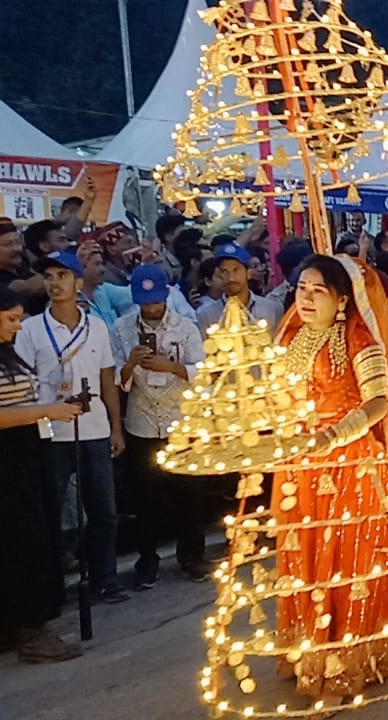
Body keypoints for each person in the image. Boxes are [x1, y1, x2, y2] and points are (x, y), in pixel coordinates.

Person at [272, 254, 388, 698]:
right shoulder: (291, 337)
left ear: (343, 299)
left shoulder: (358, 339)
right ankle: (312, 650)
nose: (306, 299)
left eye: (318, 291)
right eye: (301, 290)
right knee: (306, 558)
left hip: (347, 465)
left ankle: (345, 660)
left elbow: (379, 403)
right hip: (299, 469)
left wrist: (334, 433)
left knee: (346, 560)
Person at [15, 250, 129, 604]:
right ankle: (52, 587)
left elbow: (106, 377)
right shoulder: (31, 328)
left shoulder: (95, 324)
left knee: (103, 510)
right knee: (50, 512)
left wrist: (115, 427)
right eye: (49, 277)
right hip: (49, 431)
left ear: (78, 281)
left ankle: (104, 578)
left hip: (93, 427)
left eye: (62, 276)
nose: (54, 284)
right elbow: (22, 380)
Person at [0, 285, 84, 663]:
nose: (18, 327)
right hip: (7, 464)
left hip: (28, 455)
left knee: (36, 539)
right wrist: (45, 411)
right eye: (11, 319)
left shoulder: (9, 355)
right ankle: (30, 631)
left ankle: (23, 624)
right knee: (20, 546)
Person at [112, 264, 208, 589]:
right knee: (145, 498)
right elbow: (114, 380)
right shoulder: (122, 328)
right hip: (141, 422)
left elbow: (204, 371)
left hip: (181, 420)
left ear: (166, 296)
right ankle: (147, 560)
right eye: (145, 302)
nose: (150, 309)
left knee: (190, 494)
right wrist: (130, 365)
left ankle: (192, 556)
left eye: (155, 301)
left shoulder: (186, 327)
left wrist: (172, 367)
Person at [195, 242, 283, 337]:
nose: (231, 278)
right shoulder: (206, 315)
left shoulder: (272, 309)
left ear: (248, 273)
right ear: (219, 274)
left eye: (236, 270)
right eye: (224, 271)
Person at [0, 222, 48, 315]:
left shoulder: (27, 270)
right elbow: (27, 287)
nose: (17, 248)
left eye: (18, 243)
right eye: (8, 244)